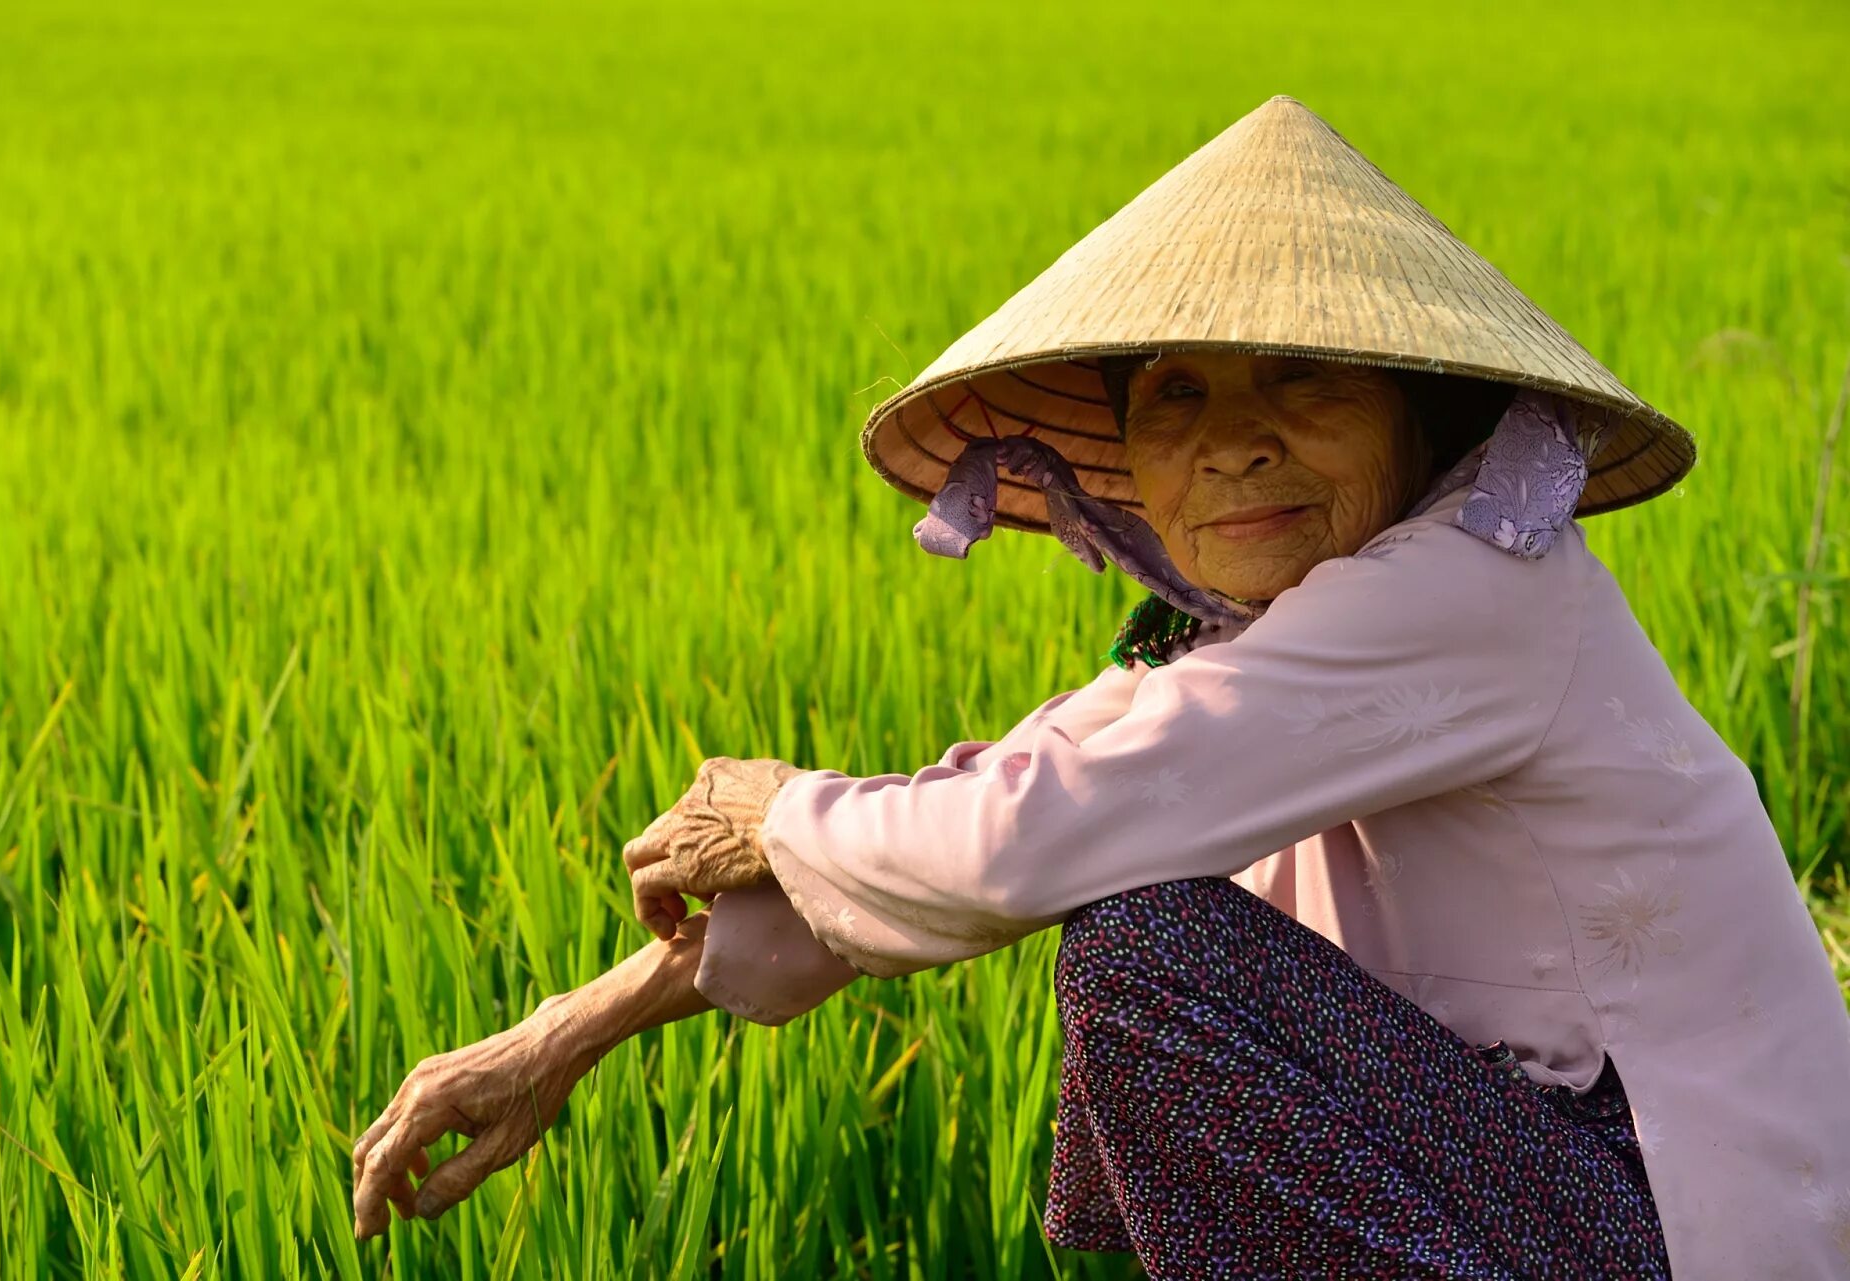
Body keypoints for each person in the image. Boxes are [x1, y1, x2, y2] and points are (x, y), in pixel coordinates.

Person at [351, 95, 1850, 1278]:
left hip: (1668, 1217)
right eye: (1178, 397)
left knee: (1144, 946)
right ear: (1125, 457)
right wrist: (561, 1032)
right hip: (1531, 1175)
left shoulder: (1471, 590)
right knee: (1134, 904)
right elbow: (984, 810)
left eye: (1299, 380)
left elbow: (1022, 837)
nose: (1235, 442)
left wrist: (775, 805)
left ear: (1417, 404)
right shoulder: (1244, 652)